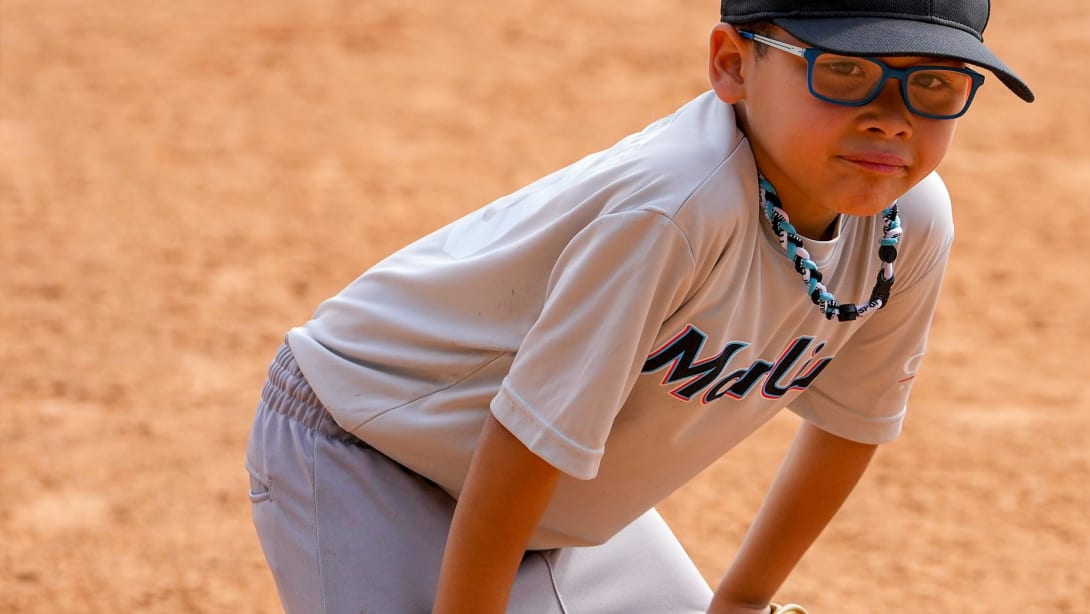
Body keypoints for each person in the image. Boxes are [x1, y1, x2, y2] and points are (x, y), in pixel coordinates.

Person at [243, 1, 1035, 612]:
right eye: (845, 72)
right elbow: (524, 441)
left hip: (551, 502)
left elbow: (850, 424)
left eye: (934, 84)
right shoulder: (674, 208)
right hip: (368, 442)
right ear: (733, 64)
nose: (891, 115)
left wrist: (740, 601)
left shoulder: (911, 220)